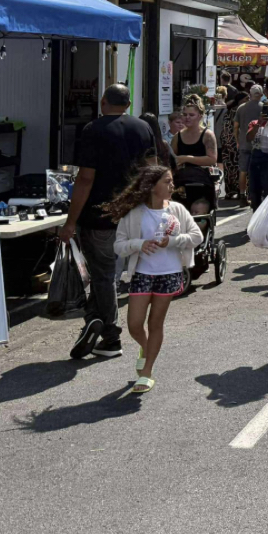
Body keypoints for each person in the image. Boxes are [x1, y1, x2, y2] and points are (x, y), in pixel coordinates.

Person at [62, 84, 155, 361]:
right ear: (127, 104)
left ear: (103, 102)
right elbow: (152, 171)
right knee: (108, 275)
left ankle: (112, 336)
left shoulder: (93, 130)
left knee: (103, 275)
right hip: (135, 213)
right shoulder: (143, 128)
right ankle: (94, 320)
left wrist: (70, 221)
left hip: (101, 215)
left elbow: (86, 178)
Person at [109, 165, 202, 394]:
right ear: (151, 187)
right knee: (134, 324)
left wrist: (172, 241)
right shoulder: (134, 213)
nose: (172, 186)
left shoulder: (178, 210)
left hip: (169, 274)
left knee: (155, 323)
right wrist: (139, 245)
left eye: (171, 181)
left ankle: (147, 372)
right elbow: (118, 246)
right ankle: (145, 347)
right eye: (167, 182)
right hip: (142, 274)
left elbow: (197, 236)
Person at [172, 95, 218, 215]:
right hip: (182, 180)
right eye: (185, 114)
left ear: (200, 116)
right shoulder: (178, 136)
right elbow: (172, 159)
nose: (187, 118)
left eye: (191, 115)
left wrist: (186, 158)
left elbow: (212, 159)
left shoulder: (207, 135)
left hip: (201, 180)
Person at [236, 85, 264, 202]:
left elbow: (235, 127)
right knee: (258, 171)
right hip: (260, 144)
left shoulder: (241, 108)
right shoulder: (264, 108)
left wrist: (238, 141)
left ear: (250, 94)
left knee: (243, 171)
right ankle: (255, 194)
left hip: (244, 143)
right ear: (261, 95)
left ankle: (242, 194)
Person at [219, 90, 246, 198]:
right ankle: (240, 191)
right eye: (245, 99)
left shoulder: (230, 110)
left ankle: (230, 192)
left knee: (229, 168)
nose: (248, 101)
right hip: (235, 143)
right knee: (239, 167)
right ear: (240, 101)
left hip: (227, 142)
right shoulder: (238, 111)